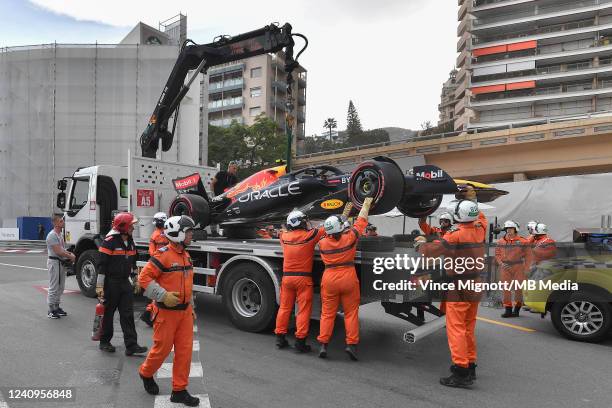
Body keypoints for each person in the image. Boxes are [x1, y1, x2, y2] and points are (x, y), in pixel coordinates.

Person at [417, 200, 486, 388]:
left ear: (456, 217)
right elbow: (482, 218)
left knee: (456, 328)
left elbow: (432, 252)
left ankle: (461, 372)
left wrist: (420, 245)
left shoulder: (455, 236)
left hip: (459, 286)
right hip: (476, 284)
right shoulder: (480, 229)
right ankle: (470, 366)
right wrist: (472, 199)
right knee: (468, 327)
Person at [138, 215, 200, 407]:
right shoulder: (163, 255)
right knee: (162, 350)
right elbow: (144, 279)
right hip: (165, 313)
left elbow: (187, 285)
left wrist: (191, 307)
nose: (191, 235)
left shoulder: (186, 255)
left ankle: (179, 391)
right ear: (178, 234)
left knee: (184, 352)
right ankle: (146, 373)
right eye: (189, 232)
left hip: (185, 313)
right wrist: (163, 295)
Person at [317, 197, 373, 361]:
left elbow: (330, 232)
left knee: (327, 314)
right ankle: (351, 345)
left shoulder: (322, 243)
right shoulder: (350, 238)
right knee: (350, 313)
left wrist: (342, 217)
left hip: (329, 278)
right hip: (348, 277)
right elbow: (361, 221)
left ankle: (323, 345)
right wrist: (366, 204)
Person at [96, 212, 148, 356]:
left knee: (127, 314)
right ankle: (105, 342)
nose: (133, 227)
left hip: (125, 283)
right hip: (110, 283)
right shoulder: (109, 241)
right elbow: (102, 266)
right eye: (131, 225)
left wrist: (136, 279)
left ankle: (131, 345)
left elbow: (132, 263)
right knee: (108, 314)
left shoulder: (130, 242)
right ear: (123, 226)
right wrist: (100, 286)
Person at [274, 211, 326, 352]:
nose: (305, 222)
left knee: (284, 308)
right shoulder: (310, 235)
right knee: (303, 311)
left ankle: (280, 338)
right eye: (304, 221)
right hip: (303, 279)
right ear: (300, 223)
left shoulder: (284, 237)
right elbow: (326, 229)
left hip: (287, 279)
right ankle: (300, 343)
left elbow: (280, 233)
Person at [495, 220, 532, 318]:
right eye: (507, 229)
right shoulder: (501, 241)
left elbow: (529, 256)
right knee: (506, 289)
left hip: (518, 267)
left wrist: (527, 268)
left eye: (511, 228)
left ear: (516, 229)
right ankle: (508, 310)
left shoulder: (524, 241)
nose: (509, 230)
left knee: (518, 289)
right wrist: (501, 263)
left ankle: (517, 309)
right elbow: (497, 254)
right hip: (505, 267)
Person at [141, 212, 169, 327]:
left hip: (157, 265)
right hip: (162, 265)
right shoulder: (165, 235)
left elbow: (152, 252)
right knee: (159, 290)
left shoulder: (155, 235)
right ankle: (149, 314)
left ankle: (149, 314)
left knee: (157, 290)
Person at [46, 214, 75, 319]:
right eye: (61, 221)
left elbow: (62, 249)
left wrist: (69, 254)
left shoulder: (60, 235)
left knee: (61, 286)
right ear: (55, 223)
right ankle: (51, 309)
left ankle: (57, 307)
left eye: (62, 221)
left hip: (60, 262)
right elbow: (58, 251)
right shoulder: (52, 235)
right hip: (54, 263)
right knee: (54, 286)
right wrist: (70, 256)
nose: (63, 222)